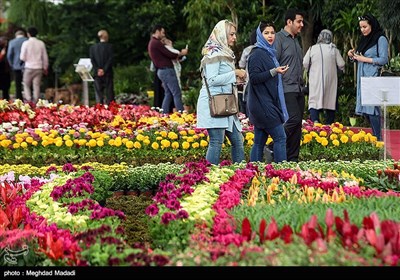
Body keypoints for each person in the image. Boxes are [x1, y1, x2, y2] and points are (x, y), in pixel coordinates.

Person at [196, 19, 246, 165]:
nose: (234, 37)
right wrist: (234, 73)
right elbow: (212, 80)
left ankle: (241, 175)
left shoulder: (225, 53)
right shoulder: (213, 54)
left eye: (234, 34)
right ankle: (208, 179)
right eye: (231, 34)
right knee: (216, 141)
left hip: (226, 103)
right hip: (216, 104)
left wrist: (236, 79)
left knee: (238, 140)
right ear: (222, 35)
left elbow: (223, 79)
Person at [247, 22, 289, 163]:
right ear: (260, 35)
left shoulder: (269, 52)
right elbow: (253, 78)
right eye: (266, 33)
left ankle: (253, 172)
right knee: (280, 138)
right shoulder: (257, 54)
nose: (270, 36)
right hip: (263, 105)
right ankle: (282, 172)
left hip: (264, 103)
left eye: (272, 32)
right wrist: (274, 71)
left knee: (259, 141)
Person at [347, 14, 388, 141]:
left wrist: (364, 59)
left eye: (365, 27)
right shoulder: (364, 39)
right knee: (365, 109)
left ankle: (378, 138)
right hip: (362, 77)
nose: (362, 30)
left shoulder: (380, 39)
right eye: (361, 27)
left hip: (373, 77)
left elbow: (383, 59)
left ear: (372, 25)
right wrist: (351, 55)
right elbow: (358, 57)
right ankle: (376, 137)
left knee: (372, 109)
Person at [273, 8, 305, 162]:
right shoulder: (278, 39)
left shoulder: (295, 40)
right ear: (289, 22)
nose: (302, 25)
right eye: (299, 21)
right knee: (293, 118)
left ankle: (292, 159)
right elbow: (273, 63)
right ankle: (273, 145)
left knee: (298, 124)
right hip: (285, 88)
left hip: (299, 88)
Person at [303, 29, 345, 124]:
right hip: (330, 80)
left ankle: (315, 121)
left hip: (315, 79)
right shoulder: (333, 49)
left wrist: (310, 68)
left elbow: (305, 62)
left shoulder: (312, 49)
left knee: (314, 100)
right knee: (330, 101)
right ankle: (329, 124)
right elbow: (341, 64)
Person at [148, 24, 188, 114]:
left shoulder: (152, 43)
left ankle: (164, 113)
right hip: (166, 70)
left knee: (168, 93)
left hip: (161, 71)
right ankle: (181, 113)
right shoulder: (156, 43)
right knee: (176, 93)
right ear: (157, 31)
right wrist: (181, 53)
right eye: (162, 32)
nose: (163, 35)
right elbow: (170, 54)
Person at [20, 26, 49, 104]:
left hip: (29, 67)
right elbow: (45, 57)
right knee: (36, 85)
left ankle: (28, 100)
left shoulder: (26, 43)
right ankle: (36, 102)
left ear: (28, 34)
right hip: (38, 67)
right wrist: (45, 67)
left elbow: (22, 57)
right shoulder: (41, 43)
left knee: (26, 84)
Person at [89, 29, 114, 105]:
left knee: (98, 94)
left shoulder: (93, 48)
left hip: (97, 74)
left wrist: (97, 70)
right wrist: (104, 70)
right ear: (106, 36)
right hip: (108, 73)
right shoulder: (110, 47)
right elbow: (110, 59)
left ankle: (99, 109)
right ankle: (110, 109)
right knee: (109, 93)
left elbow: (92, 60)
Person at [238, 30, 256, 116]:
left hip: (249, 79)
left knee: (249, 100)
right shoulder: (268, 49)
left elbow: (241, 64)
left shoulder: (247, 50)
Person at [7, 28, 27, 101]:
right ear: (23, 34)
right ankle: (30, 100)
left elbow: (9, 55)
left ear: (16, 35)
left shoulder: (12, 42)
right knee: (27, 84)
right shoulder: (27, 40)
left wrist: (11, 64)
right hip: (27, 65)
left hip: (16, 66)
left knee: (17, 84)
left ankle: (19, 99)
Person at [0, 36, 11, 101]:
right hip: (1, 71)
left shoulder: (8, 48)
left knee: (6, 89)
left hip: (6, 72)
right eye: (4, 41)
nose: (6, 42)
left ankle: (6, 102)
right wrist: (1, 54)